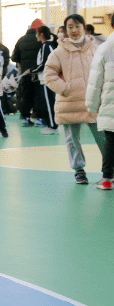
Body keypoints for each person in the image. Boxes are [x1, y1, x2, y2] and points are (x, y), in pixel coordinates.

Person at [44, 14, 104, 185]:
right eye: (70, 27)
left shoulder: (95, 49)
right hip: (69, 103)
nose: (74, 30)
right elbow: (49, 74)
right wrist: (65, 88)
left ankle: (109, 168)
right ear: (65, 30)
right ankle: (79, 170)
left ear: (84, 28)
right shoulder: (59, 52)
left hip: (93, 101)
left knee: (103, 136)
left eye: (77, 26)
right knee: (72, 139)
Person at [85, 13, 114, 190]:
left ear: (111, 25)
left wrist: (92, 105)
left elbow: (95, 80)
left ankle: (106, 180)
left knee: (111, 140)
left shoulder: (104, 48)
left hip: (110, 103)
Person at [12, 19, 43, 127]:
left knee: (25, 96)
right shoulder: (41, 40)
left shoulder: (21, 40)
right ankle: (39, 119)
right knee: (38, 95)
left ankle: (25, 118)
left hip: (25, 73)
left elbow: (14, 57)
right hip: (38, 73)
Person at [29, 26, 58, 135]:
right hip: (44, 80)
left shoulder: (47, 46)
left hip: (48, 80)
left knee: (49, 103)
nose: (36, 36)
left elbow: (45, 63)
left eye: (37, 33)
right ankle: (50, 125)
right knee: (45, 103)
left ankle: (53, 126)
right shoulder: (46, 46)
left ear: (41, 34)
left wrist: (32, 70)